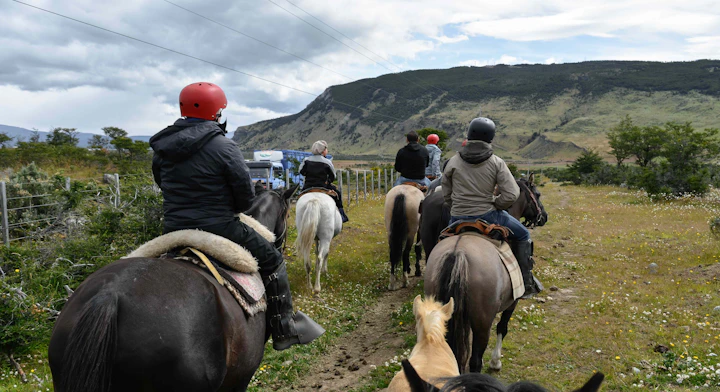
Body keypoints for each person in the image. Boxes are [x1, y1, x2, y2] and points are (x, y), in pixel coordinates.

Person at [150, 82, 325, 350]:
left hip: (173, 228)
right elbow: (244, 198)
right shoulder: (224, 146)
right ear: (216, 112)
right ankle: (284, 329)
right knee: (273, 259)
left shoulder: (162, 148)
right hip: (219, 227)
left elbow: (163, 184)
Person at [441, 117, 542, 298]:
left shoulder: (452, 162)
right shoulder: (496, 162)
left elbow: (446, 194)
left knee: (441, 241)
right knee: (524, 235)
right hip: (488, 215)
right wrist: (496, 204)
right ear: (490, 137)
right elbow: (512, 194)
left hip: (457, 217)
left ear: (469, 134)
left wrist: (455, 206)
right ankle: (526, 283)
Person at [299, 140, 349, 222]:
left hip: (308, 186)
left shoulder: (306, 160)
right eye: (326, 149)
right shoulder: (327, 162)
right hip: (323, 186)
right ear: (323, 151)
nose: (327, 150)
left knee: (300, 198)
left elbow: (301, 171)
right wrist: (328, 181)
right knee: (338, 195)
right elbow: (333, 175)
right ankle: (342, 215)